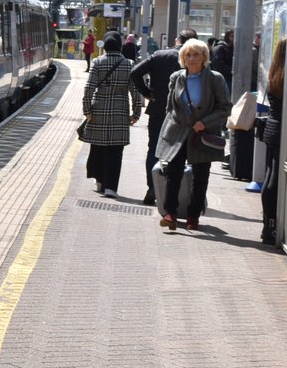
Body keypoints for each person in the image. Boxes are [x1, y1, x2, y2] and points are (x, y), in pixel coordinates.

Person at [155, 38, 233, 231]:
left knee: (200, 176)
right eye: (188, 55)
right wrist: (178, 118)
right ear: (182, 57)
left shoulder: (215, 78)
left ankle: (193, 215)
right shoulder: (176, 77)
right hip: (178, 131)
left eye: (196, 54)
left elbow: (225, 108)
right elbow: (169, 107)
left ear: (204, 56)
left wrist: (204, 122)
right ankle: (170, 213)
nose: (192, 58)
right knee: (173, 172)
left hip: (202, 133)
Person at [130, 28, 198, 205]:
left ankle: (153, 188)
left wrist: (147, 93)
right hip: (187, 115)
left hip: (158, 109)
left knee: (155, 149)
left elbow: (135, 73)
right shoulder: (196, 60)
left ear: (177, 40)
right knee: (181, 152)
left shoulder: (160, 55)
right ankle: (176, 193)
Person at [82, 31, 143, 198]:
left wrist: (87, 110)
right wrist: (136, 113)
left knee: (99, 147)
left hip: (98, 110)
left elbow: (89, 88)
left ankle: (100, 180)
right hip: (120, 112)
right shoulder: (129, 64)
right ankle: (111, 188)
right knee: (115, 151)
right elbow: (135, 91)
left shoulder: (97, 62)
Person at [259, 38, 284, 245]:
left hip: (272, 131)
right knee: (275, 180)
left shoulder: (275, 76)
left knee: (270, 177)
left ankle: (268, 224)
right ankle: (272, 227)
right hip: (282, 133)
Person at [211, 28, 234, 93]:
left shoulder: (232, 47)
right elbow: (219, 65)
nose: (233, 39)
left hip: (230, 78)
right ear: (227, 37)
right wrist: (232, 70)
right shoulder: (219, 48)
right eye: (231, 36)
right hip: (222, 78)